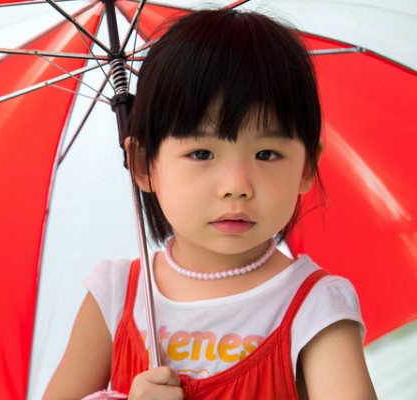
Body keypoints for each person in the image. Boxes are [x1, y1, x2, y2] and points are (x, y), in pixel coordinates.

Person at [44, 8, 377, 400]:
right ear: (142, 164)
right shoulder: (116, 296)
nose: (236, 187)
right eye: (202, 154)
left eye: (267, 154)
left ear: (306, 166)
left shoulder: (314, 308)